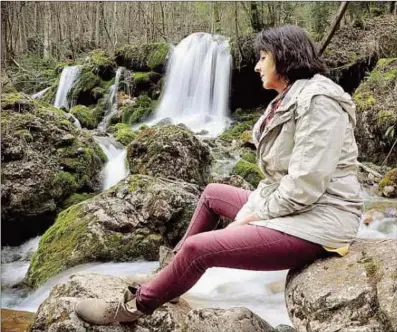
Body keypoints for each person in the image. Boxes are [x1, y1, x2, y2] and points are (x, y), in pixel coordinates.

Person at [74, 25, 363, 325]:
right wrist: (254, 209)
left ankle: (135, 307)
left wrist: (254, 215)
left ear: (283, 57)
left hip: (322, 222)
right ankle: (168, 276)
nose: (256, 66)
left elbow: (306, 184)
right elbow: (277, 179)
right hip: (296, 209)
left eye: (263, 57)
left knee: (200, 249)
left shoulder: (320, 103)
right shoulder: (287, 99)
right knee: (213, 194)